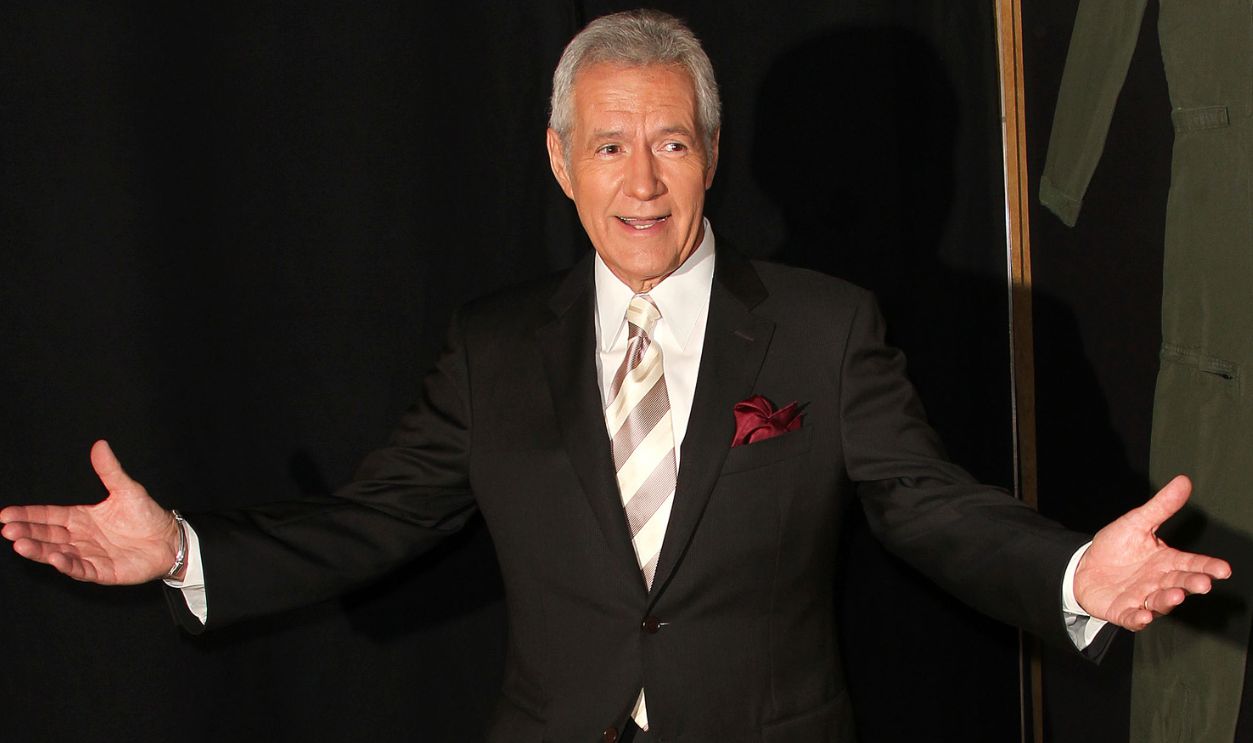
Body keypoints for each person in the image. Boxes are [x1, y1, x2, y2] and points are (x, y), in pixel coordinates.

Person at [0, 10, 1232, 743]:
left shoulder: (822, 326)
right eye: (606, 146)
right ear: (559, 160)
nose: (639, 182)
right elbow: (371, 520)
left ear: (710, 156)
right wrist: (182, 550)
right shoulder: (491, 348)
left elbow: (928, 505)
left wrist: (1071, 571)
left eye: (669, 142)